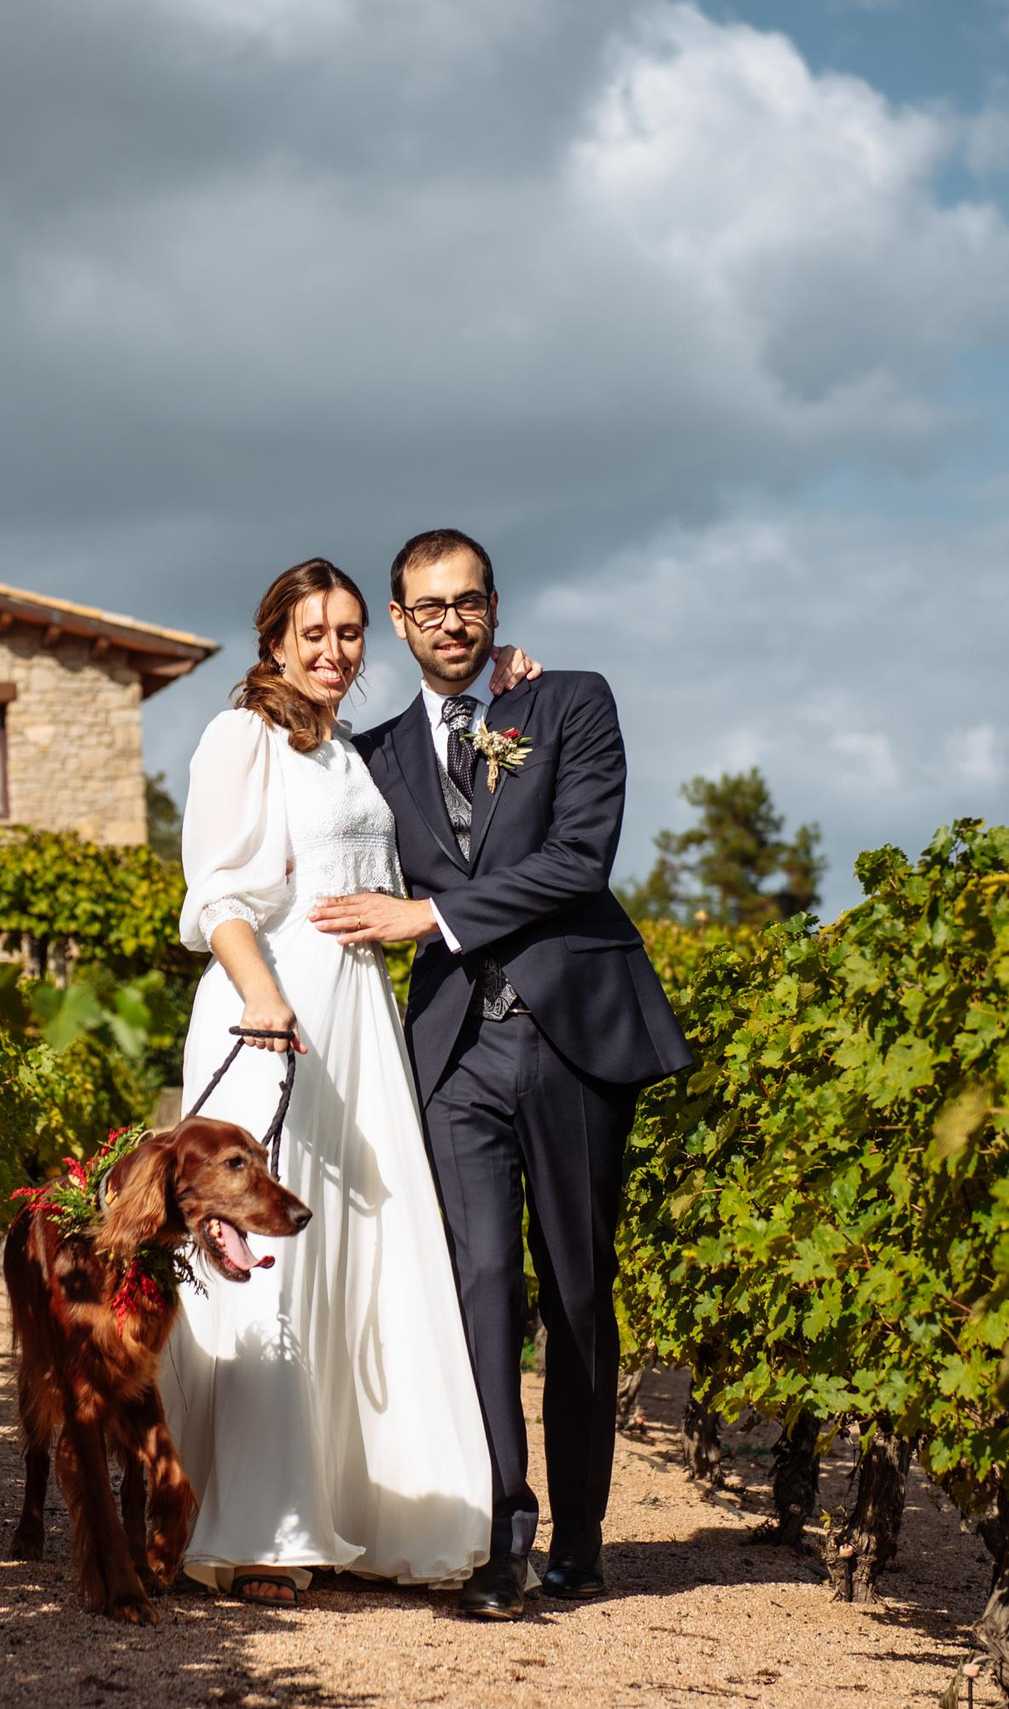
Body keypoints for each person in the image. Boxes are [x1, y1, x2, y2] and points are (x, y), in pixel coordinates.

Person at [309, 528, 692, 1620]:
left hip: (572, 1037)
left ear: (493, 606)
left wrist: (427, 915)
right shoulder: (371, 754)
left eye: (468, 601)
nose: (452, 621)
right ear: (398, 621)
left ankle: (582, 1537)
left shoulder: (569, 702)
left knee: (577, 1291)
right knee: (478, 1286)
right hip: (454, 1051)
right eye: (428, 607)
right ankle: (499, 1536)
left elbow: (579, 858)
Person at [160, 558, 536, 1607]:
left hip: (361, 1014)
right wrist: (263, 996)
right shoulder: (242, 735)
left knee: (362, 1253)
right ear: (274, 640)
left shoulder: (348, 752)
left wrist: (506, 683)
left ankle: (363, 1510)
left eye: (350, 631)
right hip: (277, 1006)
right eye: (312, 632)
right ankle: (260, 1529)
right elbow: (215, 891)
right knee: (269, 1259)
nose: (334, 650)